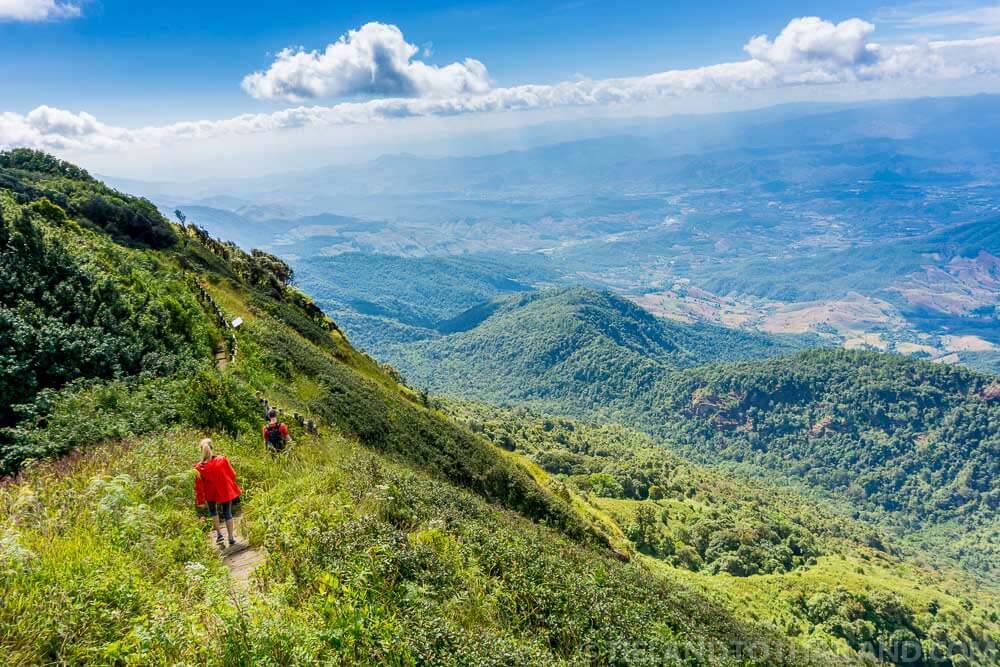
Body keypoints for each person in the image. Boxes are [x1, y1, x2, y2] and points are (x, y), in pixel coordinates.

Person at [194, 438, 242, 547]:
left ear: (201, 450)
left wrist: (200, 500)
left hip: (210, 492)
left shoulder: (198, 467)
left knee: (213, 511)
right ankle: (231, 538)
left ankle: (219, 535)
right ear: (212, 448)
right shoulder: (222, 459)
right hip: (224, 490)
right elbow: (233, 474)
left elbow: (199, 486)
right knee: (227, 512)